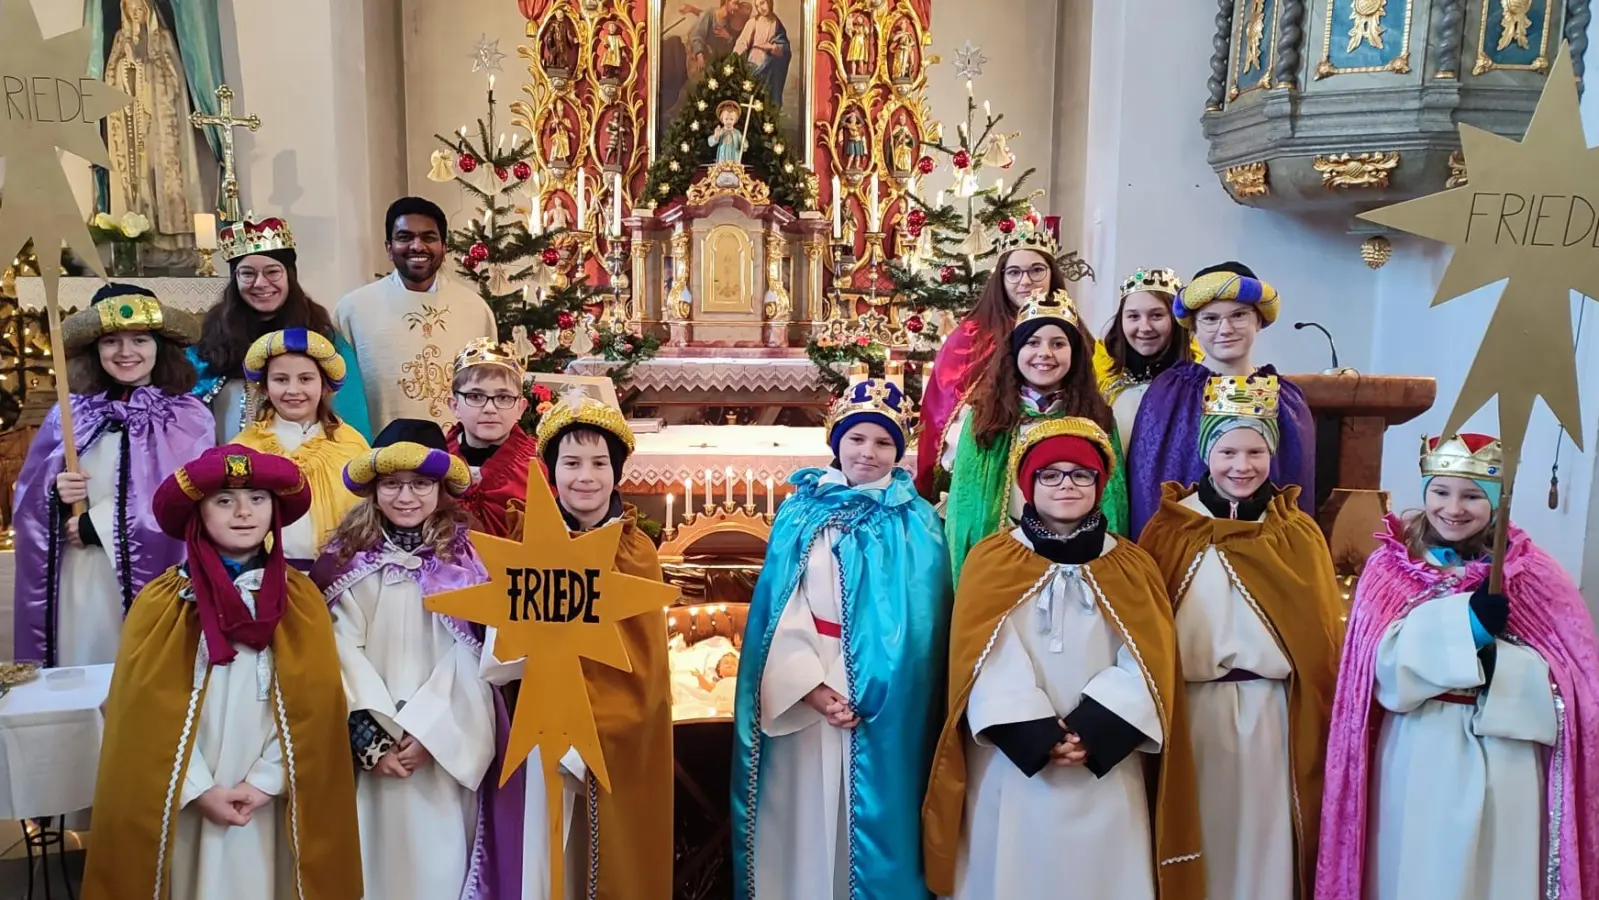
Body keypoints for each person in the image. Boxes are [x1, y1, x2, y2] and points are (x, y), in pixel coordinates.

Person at [921, 417, 1203, 900]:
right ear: (1028, 484)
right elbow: (982, 657)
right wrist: (1036, 734)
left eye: (1081, 474)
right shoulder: (992, 560)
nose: (1066, 485)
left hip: (1106, 766)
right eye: (1050, 474)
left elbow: (1148, 661)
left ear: (1100, 483)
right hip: (1014, 766)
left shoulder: (1132, 564)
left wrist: (1092, 733)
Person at [1317, 434, 1599, 900]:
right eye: (1440, 492)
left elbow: (1571, 684)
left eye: (1472, 495)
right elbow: (1377, 670)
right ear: (1424, 492)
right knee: (1415, 871)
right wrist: (1463, 628)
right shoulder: (1391, 567)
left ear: (1496, 501)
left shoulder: (1533, 573)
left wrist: (1496, 657)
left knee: (1496, 873)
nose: (1454, 508)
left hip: (1504, 755)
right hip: (1415, 747)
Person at [81, 445, 360, 900]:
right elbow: (138, 714)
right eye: (224, 501)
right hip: (189, 797)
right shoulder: (165, 601)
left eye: (257, 499)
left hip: (271, 798)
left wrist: (267, 781)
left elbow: (319, 705)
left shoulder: (301, 598)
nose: (243, 513)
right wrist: (198, 789)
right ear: (198, 513)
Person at [731, 375, 952, 900]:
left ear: (898, 451)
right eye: (856, 438)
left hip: (882, 700)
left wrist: (871, 684)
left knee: (872, 815)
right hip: (804, 690)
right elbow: (778, 607)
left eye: (882, 442)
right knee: (802, 814)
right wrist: (812, 685)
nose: (867, 453)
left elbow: (922, 625)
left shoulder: (915, 521)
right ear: (836, 442)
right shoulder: (802, 510)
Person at [1137, 374, 1343, 900]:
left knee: (1263, 840)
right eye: (1227, 449)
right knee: (1201, 831)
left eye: (1256, 451)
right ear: (1206, 451)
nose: (1242, 465)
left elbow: (1319, 642)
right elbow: (1144, 630)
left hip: (1271, 716)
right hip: (1192, 715)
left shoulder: (1295, 534)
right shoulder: (1170, 528)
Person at [476, 393, 672, 900]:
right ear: (550, 470)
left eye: (599, 463)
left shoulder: (634, 552)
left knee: (609, 862)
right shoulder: (526, 542)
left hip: (616, 735)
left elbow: (643, 667)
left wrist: (598, 720)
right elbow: (502, 648)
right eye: (571, 462)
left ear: (617, 472)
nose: (585, 477)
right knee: (548, 859)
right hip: (541, 728)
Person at [313, 419, 496, 900]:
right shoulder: (345, 558)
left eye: (420, 485)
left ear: (441, 489)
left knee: (441, 862)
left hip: (441, 750)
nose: (406, 497)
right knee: (375, 860)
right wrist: (369, 734)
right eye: (392, 485)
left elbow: (472, 655)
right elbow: (333, 648)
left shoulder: (468, 563)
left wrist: (429, 731)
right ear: (373, 489)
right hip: (371, 747)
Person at [12, 283, 213, 666]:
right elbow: (28, 498)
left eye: (139, 339)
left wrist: (99, 524)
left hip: (155, 576)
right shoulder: (70, 414)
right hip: (83, 575)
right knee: (88, 661)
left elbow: (187, 497)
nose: (126, 353)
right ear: (94, 350)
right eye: (111, 342)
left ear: (160, 346)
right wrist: (54, 494)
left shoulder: (186, 415)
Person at [941, 288, 1127, 583]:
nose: (1045, 353)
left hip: (1078, 557)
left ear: (1075, 354)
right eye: (1032, 342)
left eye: (1058, 344)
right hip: (1005, 557)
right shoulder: (984, 417)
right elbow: (966, 505)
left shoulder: (1097, 417)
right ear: (1015, 352)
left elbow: (1112, 503)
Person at [1127, 262, 1315, 536]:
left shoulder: (1286, 399)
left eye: (1238, 315)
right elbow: (1148, 483)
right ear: (1193, 327)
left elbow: (1297, 485)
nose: (1225, 329)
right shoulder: (1169, 392)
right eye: (1211, 318)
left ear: (1259, 320)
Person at [915, 219, 1070, 499]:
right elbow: (946, 412)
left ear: (1052, 274)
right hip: (988, 461)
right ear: (1001, 279)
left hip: (1058, 462)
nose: (1025, 281)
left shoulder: (1074, 331)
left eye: (1036, 270)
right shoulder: (971, 336)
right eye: (1014, 272)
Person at [190, 216, 370, 443]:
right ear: (235, 278)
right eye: (247, 273)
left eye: (272, 272)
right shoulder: (215, 334)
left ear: (289, 274)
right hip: (230, 462)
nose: (260, 283)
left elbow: (350, 410)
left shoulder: (320, 333)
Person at [335, 197, 497, 426]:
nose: (417, 246)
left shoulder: (475, 310)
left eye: (429, 237)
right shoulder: (353, 310)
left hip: (458, 454)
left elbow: (490, 389)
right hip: (377, 453)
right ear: (389, 248)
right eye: (404, 237)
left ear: (444, 247)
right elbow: (342, 395)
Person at [234, 328, 368, 569]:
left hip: (340, 576)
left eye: (305, 379)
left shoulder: (351, 445)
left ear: (325, 386)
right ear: (264, 387)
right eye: (281, 379)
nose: (293, 390)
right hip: (263, 576)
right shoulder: (244, 448)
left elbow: (367, 516)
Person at [1094, 267, 1199, 453]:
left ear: (1176, 321)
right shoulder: (1101, 381)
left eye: (1156, 315)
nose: (1145, 327)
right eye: (1134, 316)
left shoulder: (1196, 384)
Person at [444, 338, 540, 536]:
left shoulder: (540, 464)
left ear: (521, 408)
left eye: (503, 397)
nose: (489, 409)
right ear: (455, 406)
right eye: (476, 396)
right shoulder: (437, 460)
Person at [733, 0, 791, 108]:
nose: (761, 8)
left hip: (770, 71)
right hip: (753, 65)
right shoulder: (753, 22)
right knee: (751, 98)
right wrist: (733, 59)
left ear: (770, 2)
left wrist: (771, 47)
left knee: (767, 102)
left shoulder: (777, 25)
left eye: (763, 3)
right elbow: (742, 43)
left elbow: (785, 50)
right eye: (757, 6)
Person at [709, 99, 746, 165]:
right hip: (723, 157)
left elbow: (742, 144)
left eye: (731, 119)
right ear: (722, 119)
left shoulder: (737, 133)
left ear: (735, 120)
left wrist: (743, 144)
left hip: (734, 156)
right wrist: (716, 136)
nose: (729, 121)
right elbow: (711, 143)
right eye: (726, 119)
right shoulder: (721, 131)